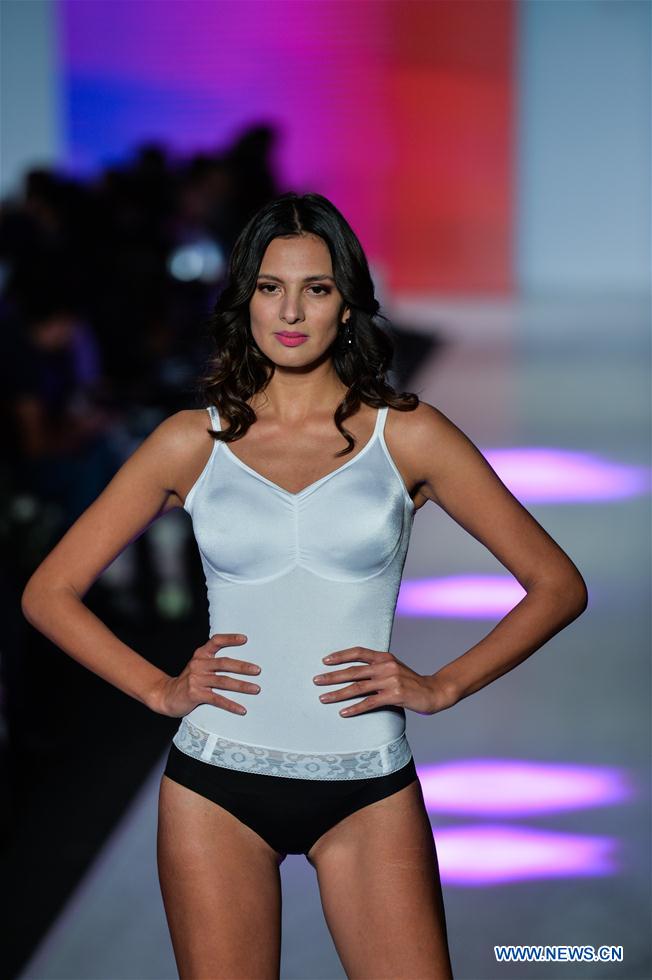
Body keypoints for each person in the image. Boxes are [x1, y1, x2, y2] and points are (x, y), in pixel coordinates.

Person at [21, 192, 588, 979]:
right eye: (270, 287)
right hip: (215, 782)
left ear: (346, 305)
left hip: (366, 782)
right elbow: (48, 591)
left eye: (315, 289)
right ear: (246, 300)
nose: (290, 311)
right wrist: (158, 690)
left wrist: (444, 685)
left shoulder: (409, 434)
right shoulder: (192, 441)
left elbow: (556, 583)